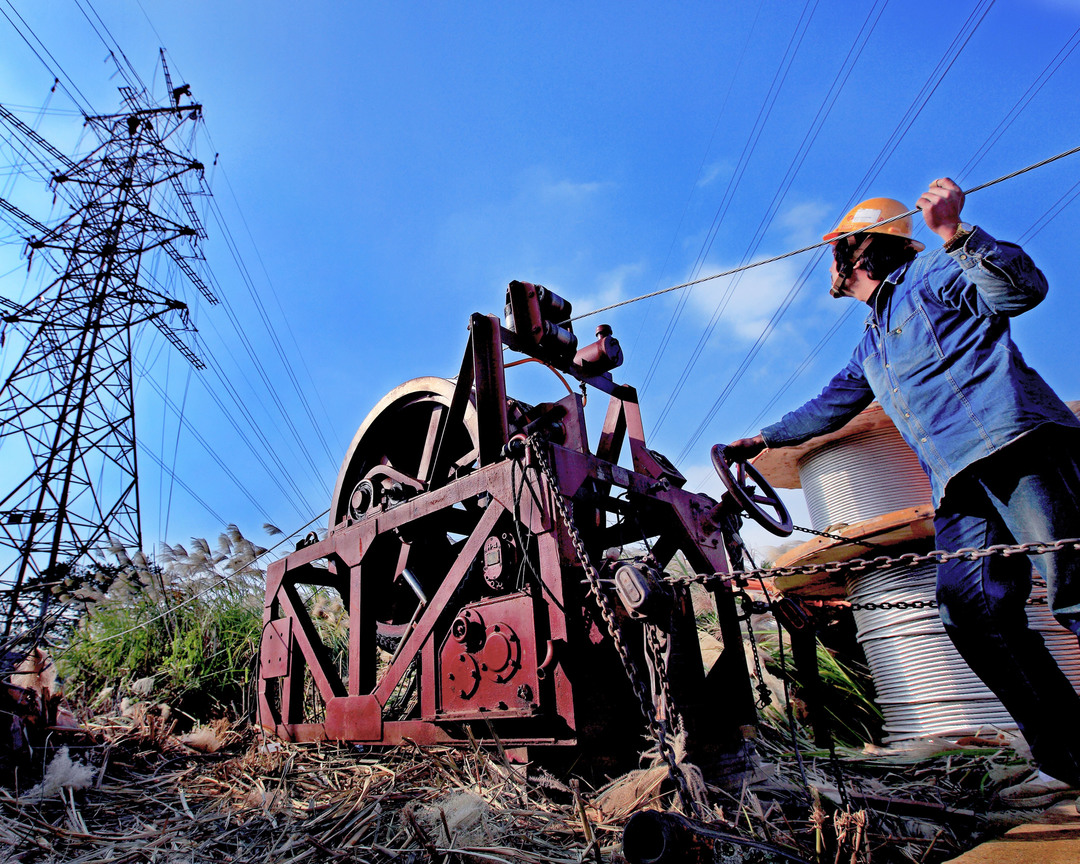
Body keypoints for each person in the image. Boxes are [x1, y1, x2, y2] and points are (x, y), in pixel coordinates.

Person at [725, 178, 1080, 808]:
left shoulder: (933, 276)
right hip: (960, 487)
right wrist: (758, 439)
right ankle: (1070, 759)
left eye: (834, 251)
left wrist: (956, 233)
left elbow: (1023, 290)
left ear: (858, 253)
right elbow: (829, 407)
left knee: (1077, 590)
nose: (828, 266)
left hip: (1017, 444)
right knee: (973, 613)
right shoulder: (873, 343)